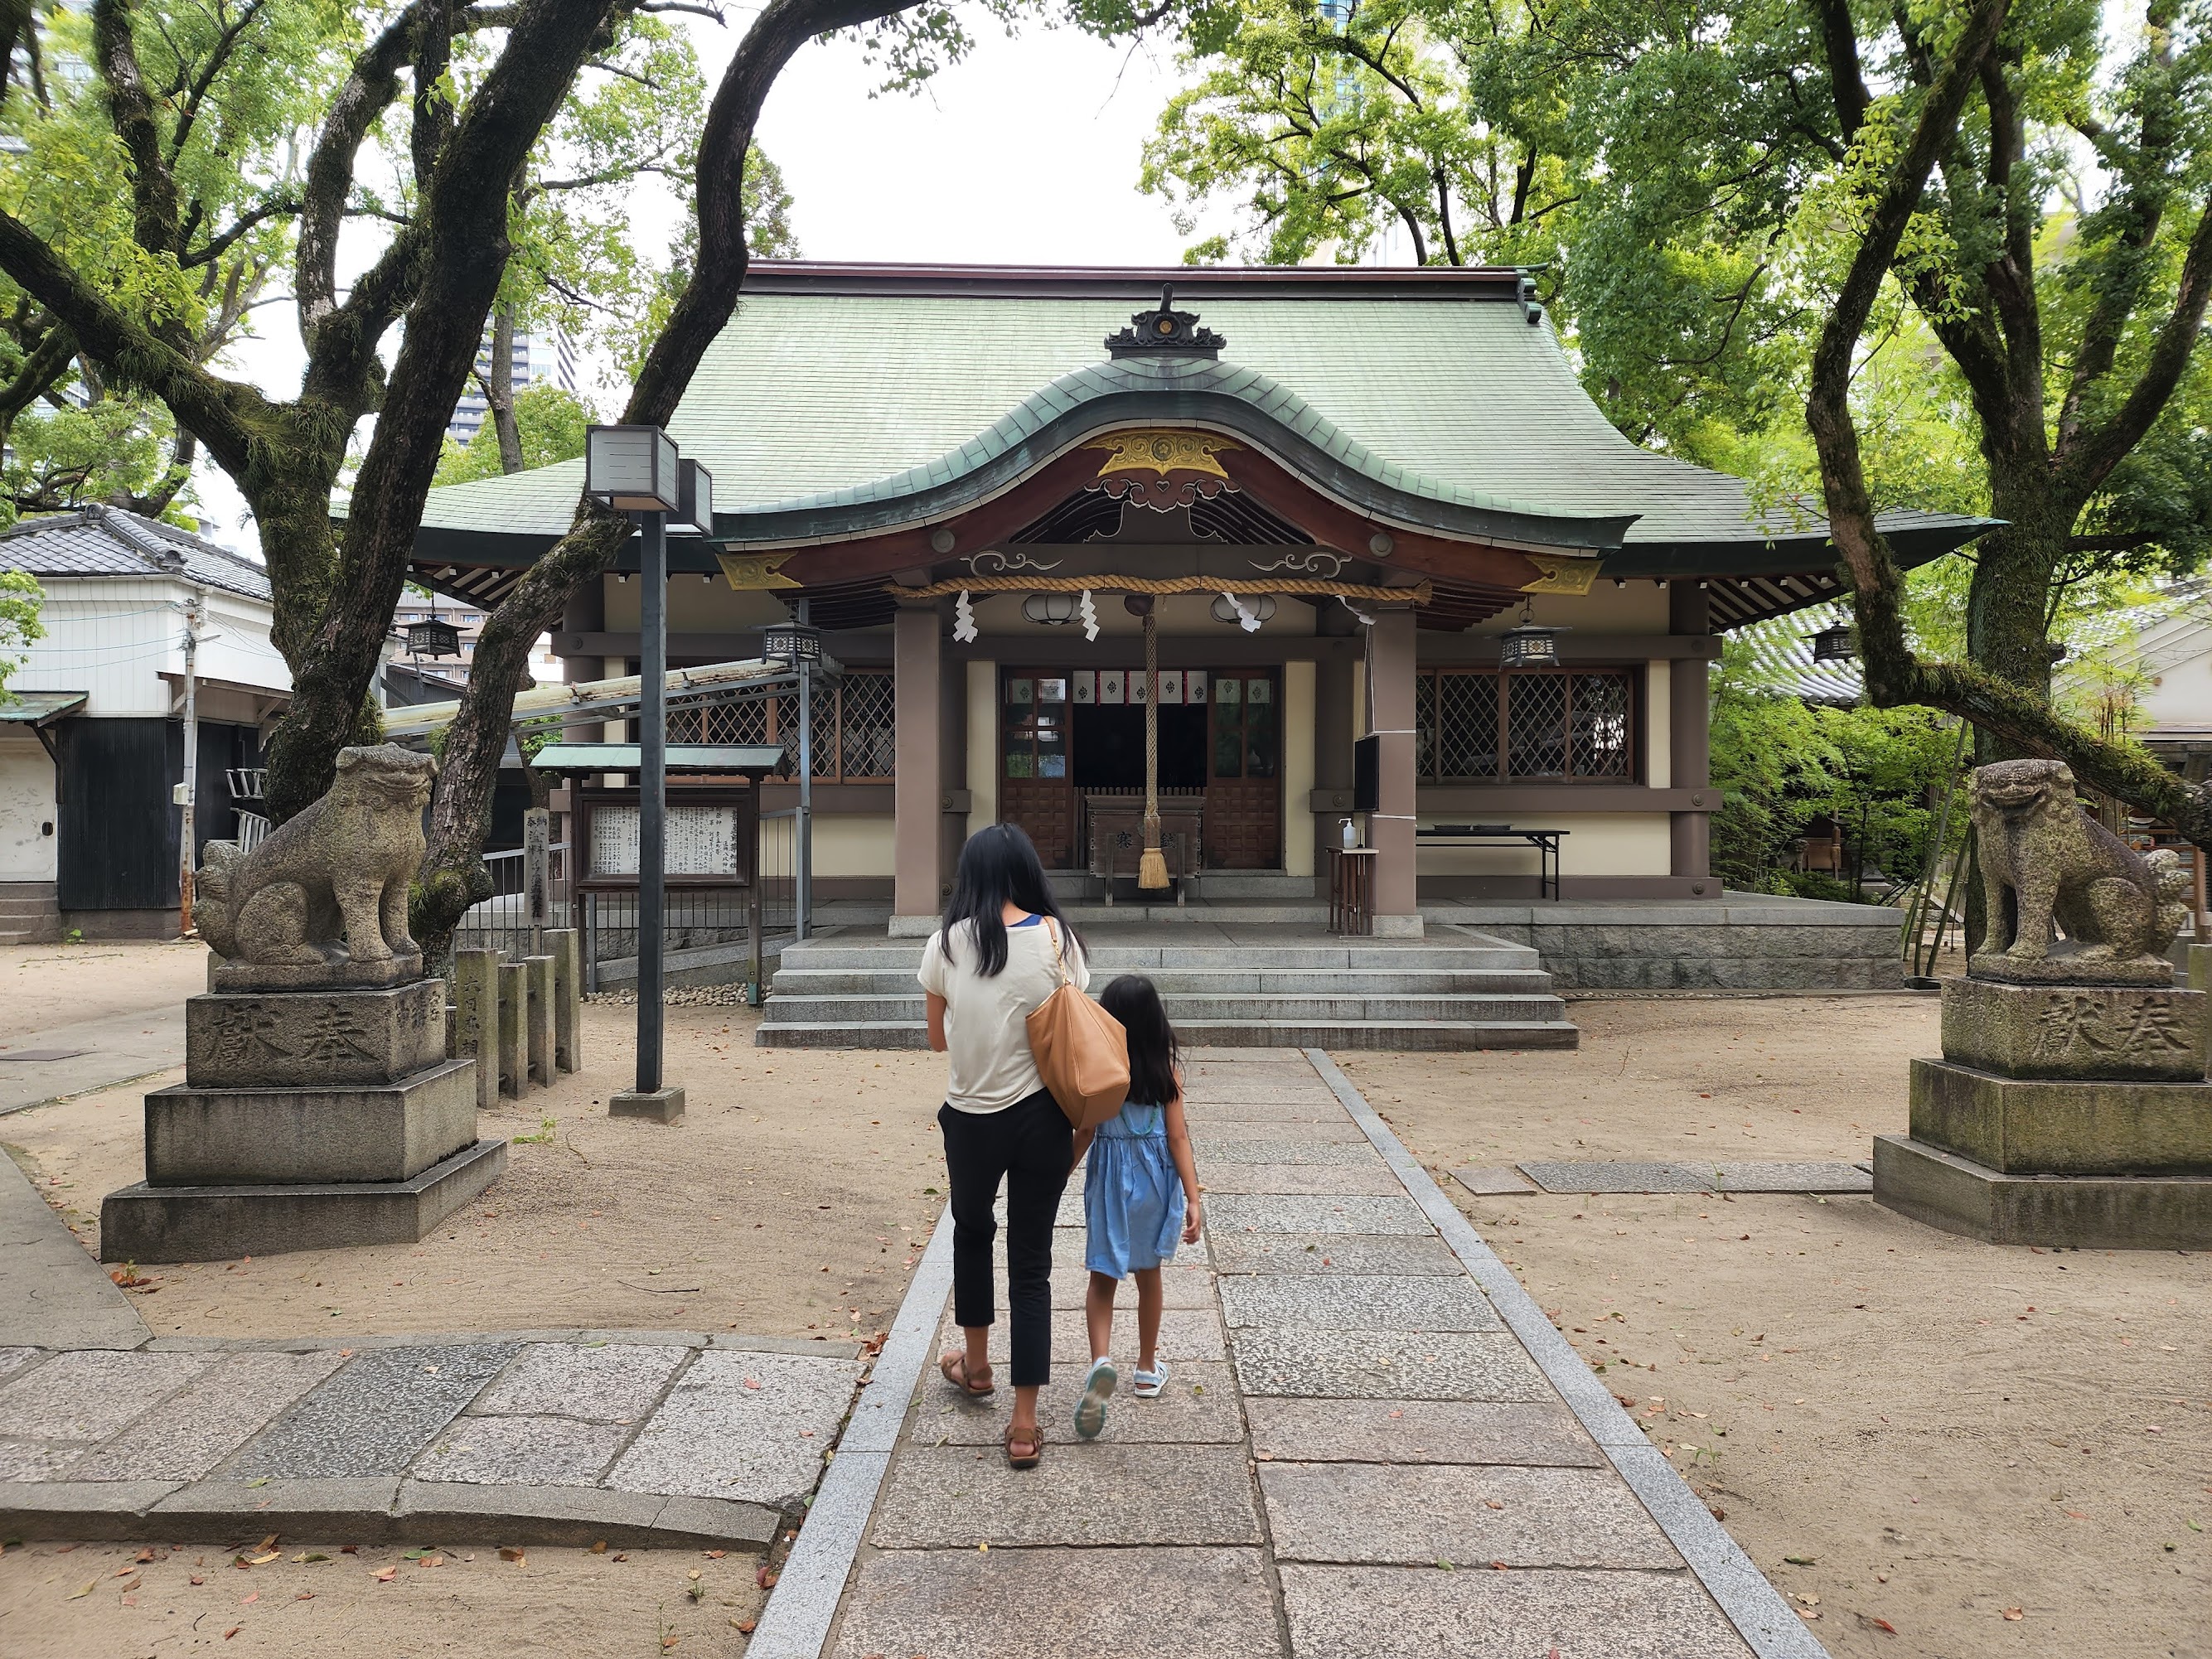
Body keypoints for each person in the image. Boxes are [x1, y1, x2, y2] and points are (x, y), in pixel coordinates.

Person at [918, 822, 1087, 1469]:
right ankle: (1023, 1425)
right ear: (1026, 872)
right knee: (1032, 1264)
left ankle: (979, 1366)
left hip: (971, 1118)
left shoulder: (945, 944)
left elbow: (936, 1040)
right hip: (1043, 1117)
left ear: (970, 875)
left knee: (971, 1235)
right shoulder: (1056, 939)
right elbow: (1072, 1025)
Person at [1068, 974, 1203, 1441]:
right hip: (1154, 1183)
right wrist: (1193, 1197)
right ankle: (1146, 1368)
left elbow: (1085, 1133)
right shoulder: (1167, 1074)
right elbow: (1179, 1137)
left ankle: (1100, 1362)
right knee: (1149, 1279)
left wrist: (1059, 1174)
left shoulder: (1103, 1073)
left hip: (1110, 1183)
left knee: (1103, 1278)